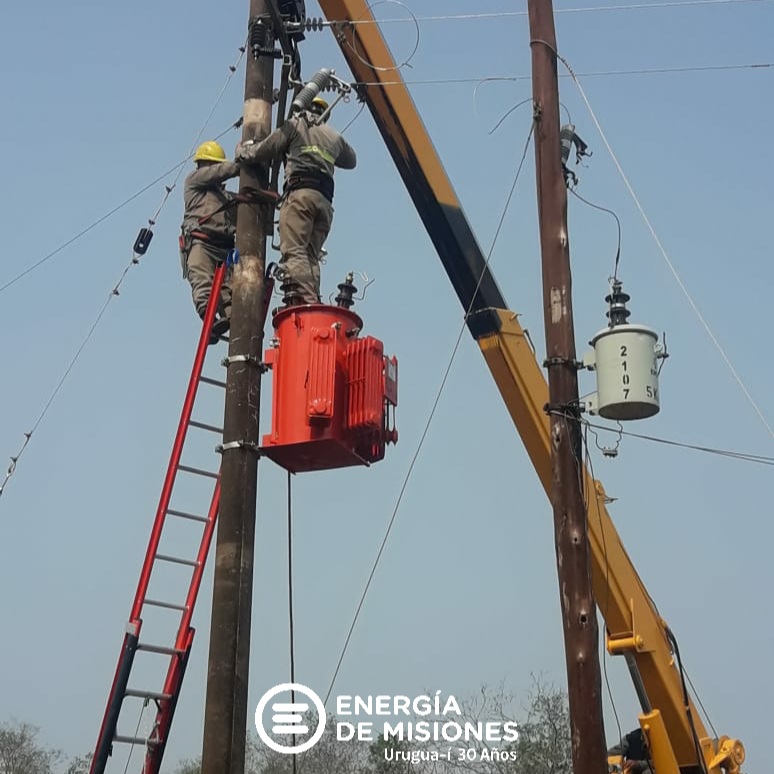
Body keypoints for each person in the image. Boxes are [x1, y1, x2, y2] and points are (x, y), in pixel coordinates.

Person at [235, 96, 356, 305]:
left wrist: (242, 152)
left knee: (294, 251)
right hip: (324, 204)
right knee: (310, 256)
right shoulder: (334, 136)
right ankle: (311, 301)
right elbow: (351, 160)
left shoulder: (295, 125)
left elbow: (263, 150)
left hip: (301, 195)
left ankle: (308, 301)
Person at [180, 140, 240, 343]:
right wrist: (241, 164)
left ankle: (235, 323)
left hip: (224, 249)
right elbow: (218, 173)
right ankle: (210, 321)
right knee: (203, 282)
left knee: (229, 290)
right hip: (201, 243)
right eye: (210, 166)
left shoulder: (227, 198)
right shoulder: (194, 183)